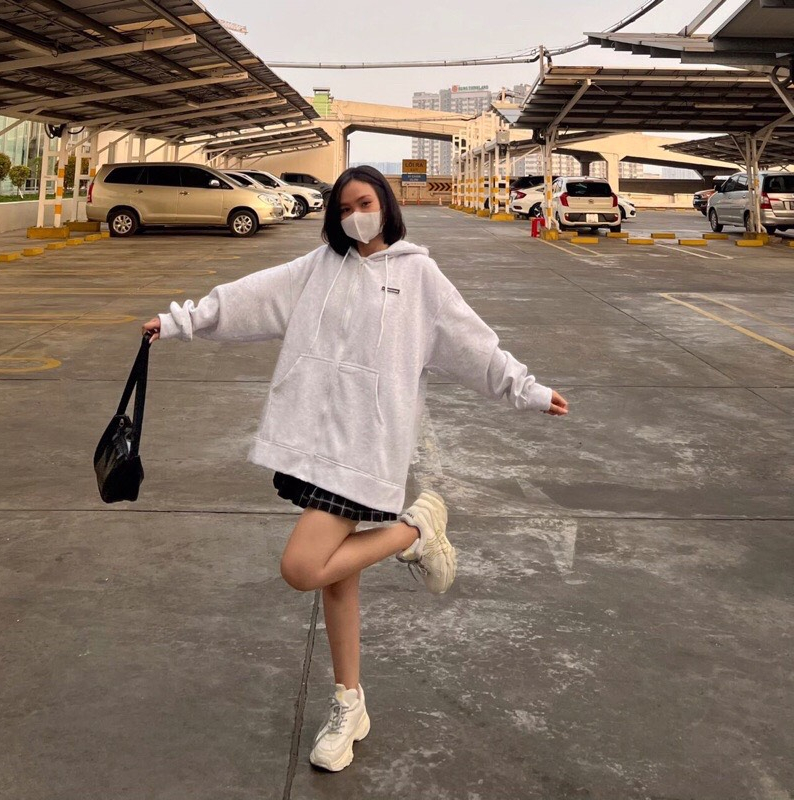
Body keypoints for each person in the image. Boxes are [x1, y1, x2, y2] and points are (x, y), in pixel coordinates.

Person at [142, 165, 569, 773]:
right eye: (343, 209)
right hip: (314, 440)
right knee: (337, 578)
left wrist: (525, 390)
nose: (354, 217)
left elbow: (472, 343)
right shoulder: (320, 267)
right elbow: (248, 298)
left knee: (301, 567)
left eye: (363, 203)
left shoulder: (419, 277)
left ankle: (417, 528)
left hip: (366, 449)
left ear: (386, 205)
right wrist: (178, 322)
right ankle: (350, 704)